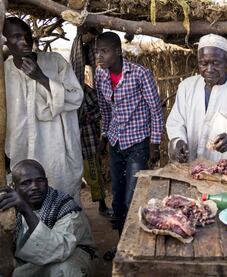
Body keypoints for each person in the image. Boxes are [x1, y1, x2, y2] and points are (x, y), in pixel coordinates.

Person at [3, 17, 84, 204]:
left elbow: (76, 98)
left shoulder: (55, 62)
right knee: (27, 204)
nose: (24, 41)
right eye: (16, 36)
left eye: (27, 35)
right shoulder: (4, 72)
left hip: (56, 151)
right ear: (5, 40)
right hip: (20, 151)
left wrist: (41, 78)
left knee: (62, 199)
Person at [95, 32, 164, 235]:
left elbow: (155, 110)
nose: (99, 56)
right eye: (97, 51)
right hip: (116, 141)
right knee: (116, 195)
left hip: (138, 143)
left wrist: (155, 144)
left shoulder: (140, 73)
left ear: (118, 51)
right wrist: (104, 137)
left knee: (132, 196)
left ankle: (134, 241)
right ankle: (120, 244)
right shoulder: (100, 74)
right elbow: (105, 109)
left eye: (104, 51)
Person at [166, 33, 227, 163]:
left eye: (216, 63)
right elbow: (176, 122)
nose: (209, 69)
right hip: (190, 168)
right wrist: (178, 141)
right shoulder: (186, 87)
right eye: (203, 63)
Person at [0, 159, 96, 277]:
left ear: (46, 182)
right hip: (33, 259)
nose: (35, 187)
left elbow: (59, 249)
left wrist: (26, 210)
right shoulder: (11, 206)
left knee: (64, 269)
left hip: (71, 255)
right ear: (15, 188)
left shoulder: (66, 208)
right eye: (26, 183)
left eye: (40, 180)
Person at [70, 27, 113, 217]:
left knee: (93, 176)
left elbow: (100, 113)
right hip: (71, 144)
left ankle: (102, 206)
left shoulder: (87, 92)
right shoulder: (71, 91)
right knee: (72, 177)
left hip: (87, 143)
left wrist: (88, 118)